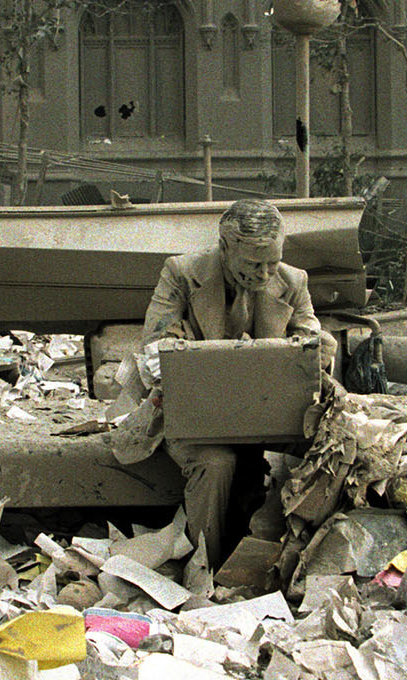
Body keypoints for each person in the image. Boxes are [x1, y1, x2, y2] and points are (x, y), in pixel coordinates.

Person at [110, 198, 321, 560]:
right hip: (195, 414)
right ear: (225, 247)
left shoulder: (294, 280)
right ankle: (205, 565)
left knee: (319, 455)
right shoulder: (180, 272)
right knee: (215, 463)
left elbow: (316, 346)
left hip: (269, 413)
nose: (266, 274)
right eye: (254, 264)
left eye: (273, 261)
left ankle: (293, 562)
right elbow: (155, 346)